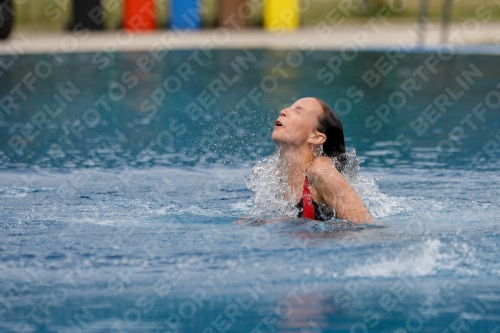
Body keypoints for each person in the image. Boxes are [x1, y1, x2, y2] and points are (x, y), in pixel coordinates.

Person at [271, 97, 373, 223]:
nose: (283, 111)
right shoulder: (277, 174)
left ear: (316, 137)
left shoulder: (321, 171)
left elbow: (365, 226)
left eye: (298, 111)